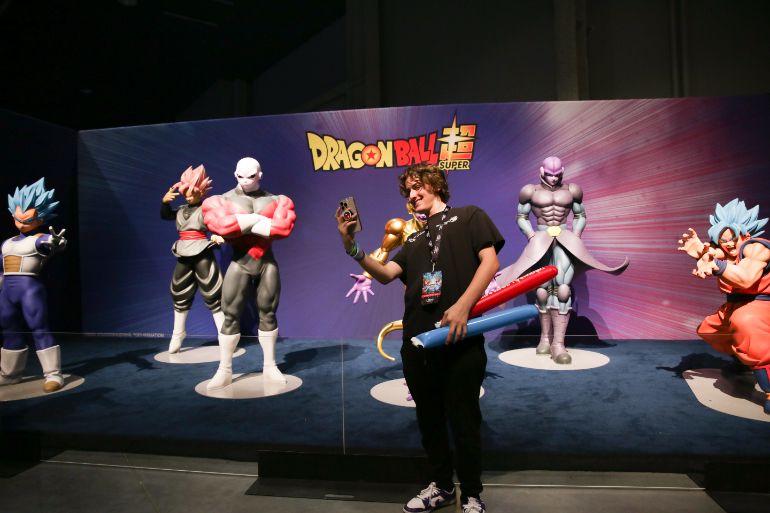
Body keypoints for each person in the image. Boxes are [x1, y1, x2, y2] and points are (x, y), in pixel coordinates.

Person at [336, 163, 503, 513]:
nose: (412, 195)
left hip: (460, 339)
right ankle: (441, 486)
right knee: (429, 420)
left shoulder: (469, 216)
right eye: (408, 191)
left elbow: (490, 263)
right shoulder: (413, 240)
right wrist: (351, 245)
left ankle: (471, 494)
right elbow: (385, 274)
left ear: (436, 184)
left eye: (417, 187)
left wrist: (463, 306)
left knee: (464, 420)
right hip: (417, 344)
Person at [498, 156, 628, 364]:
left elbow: (580, 214)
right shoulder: (530, 191)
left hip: (564, 239)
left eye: (557, 175)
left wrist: (575, 235)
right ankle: (544, 338)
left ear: (562, 172)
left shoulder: (572, 190)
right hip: (541, 240)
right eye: (549, 174)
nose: (553, 178)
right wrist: (531, 235)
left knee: (563, 290)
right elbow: (521, 216)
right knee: (542, 291)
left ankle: (558, 344)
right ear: (542, 172)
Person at [201, 157, 296, 390]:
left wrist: (242, 224)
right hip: (240, 262)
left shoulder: (277, 200)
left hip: (266, 262)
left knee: (268, 313)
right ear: (235, 174)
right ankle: (224, 369)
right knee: (230, 315)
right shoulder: (221, 200)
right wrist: (258, 220)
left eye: (250, 176)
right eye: (240, 176)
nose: (245, 181)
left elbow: (282, 229)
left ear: (259, 175)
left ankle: (270, 365)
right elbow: (221, 226)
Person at [678, 198, 770, 414]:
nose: (728, 244)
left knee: (745, 324)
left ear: (744, 235)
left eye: (732, 239)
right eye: (723, 239)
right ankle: (743, 361)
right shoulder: (722, 251)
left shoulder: (756, 248)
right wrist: (702, 254)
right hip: (736, 305)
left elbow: (746, 278)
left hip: (762, 306)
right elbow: (712, 255)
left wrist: (716, 265)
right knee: (710, 329)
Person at [0, 178, 67, 392]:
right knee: (9, 330)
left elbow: (51, 243)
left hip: (29, 289)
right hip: (7, 291)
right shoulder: (7, 243)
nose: (21, 223)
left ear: (41, 218)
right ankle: (9, 374)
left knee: (39, 328)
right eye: (17, 218)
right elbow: (2, 268)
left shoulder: (39, 239)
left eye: (27, 220)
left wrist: (57, 243)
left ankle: (53, 374)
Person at [161, 165, 225, 354]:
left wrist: (217, 236)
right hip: (183, 251)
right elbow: (166, 215)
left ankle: (224, 334)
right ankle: (178, 333)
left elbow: (219, 224)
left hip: (202, 251)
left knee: (213, 292)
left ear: (201, 192)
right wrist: (165, 203)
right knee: (179, 291)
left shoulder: (207, 210)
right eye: (186, 193)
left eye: (192, 193)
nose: (188, 197)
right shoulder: (181, 210)